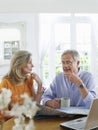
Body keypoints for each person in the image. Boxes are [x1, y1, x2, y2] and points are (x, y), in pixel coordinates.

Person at [0, 50, 43, 120]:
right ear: (20, 64)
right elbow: (3, 112)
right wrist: (21, 112)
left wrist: (40, 85)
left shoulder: (29, 79)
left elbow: (35, 104)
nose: (33, 65)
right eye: (29, 62)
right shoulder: (5, 83)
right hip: (10, 123)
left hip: (26, 120)